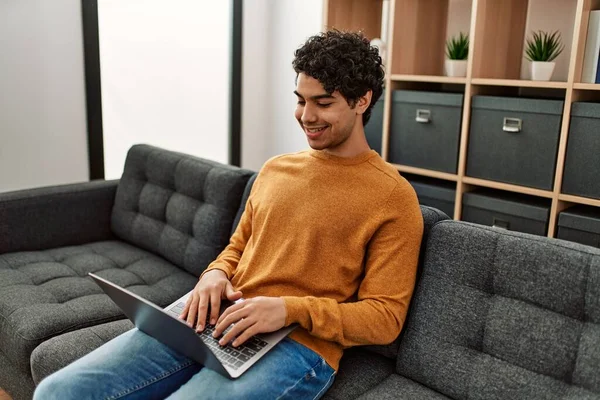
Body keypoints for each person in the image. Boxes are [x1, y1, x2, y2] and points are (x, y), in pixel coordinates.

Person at [34, 30, 423, 400]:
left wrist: (289, 309)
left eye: (323, 103)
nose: (306, 115)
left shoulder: (392, 196)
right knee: (56, 392)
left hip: (298, 346)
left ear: (362, 100)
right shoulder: (276, 169)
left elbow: (385, 318)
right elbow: (239, 246)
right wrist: (214, 275)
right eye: (300, 100)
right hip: (217, 318)